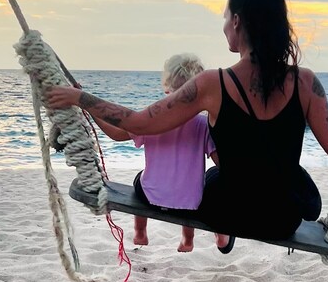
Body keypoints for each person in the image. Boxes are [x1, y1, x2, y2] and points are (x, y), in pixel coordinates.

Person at [46, 0, 328, 252]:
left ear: (239, 22)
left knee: (215, 179)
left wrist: (82, 97)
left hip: (227, 212)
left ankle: (227, 229)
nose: (224, 25)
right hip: (282, 218)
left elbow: (139, 123)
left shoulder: (212, 84)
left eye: (226, 16)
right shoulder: (305, 83)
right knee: (299, 185)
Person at [90, 53, 229, 253]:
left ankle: (140, 232)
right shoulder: (202, 124)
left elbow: (115, 134)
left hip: (151, 197)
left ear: (167, 88)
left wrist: (92, 110)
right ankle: (188, 240)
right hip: (190, 203)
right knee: (197, 186)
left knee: (139, 179)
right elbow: (221, 161)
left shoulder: (151, 119)